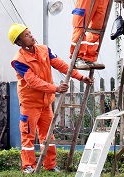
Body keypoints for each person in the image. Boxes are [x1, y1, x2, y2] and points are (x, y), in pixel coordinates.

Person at [8, 23, 94, 174]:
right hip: (29, 104)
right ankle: (28, 166)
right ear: (19, 42)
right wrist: (55, 88)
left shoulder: (44, 49)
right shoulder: (18, 61)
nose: (31, 36)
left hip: (46, 102)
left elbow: (61, 65)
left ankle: (50, 165)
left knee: (47, 135)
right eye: (26, 35)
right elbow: (32, 81)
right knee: (28, 136)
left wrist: (81, 77)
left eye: (30, 32)